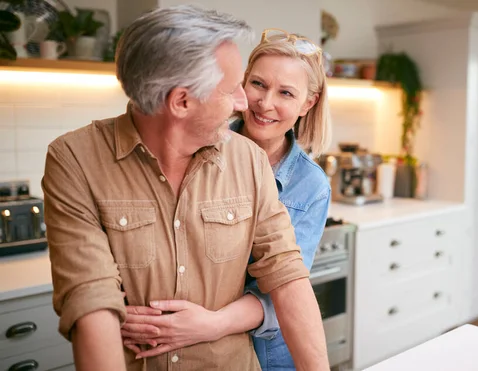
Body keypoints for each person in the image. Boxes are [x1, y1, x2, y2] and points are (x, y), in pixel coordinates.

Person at [42, 5, 328, 371]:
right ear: (181, 101)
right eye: (233, 89)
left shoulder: (248, 160)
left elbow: (287, 273)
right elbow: (91, 298)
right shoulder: (75, 159)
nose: (245, 103)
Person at [120, 28, 332, 370]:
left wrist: (210, 324)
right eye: (258, 84)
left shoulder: (311, 185)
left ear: (308, 103)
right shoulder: (193, 146)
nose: (265, 103)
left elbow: (284, 288)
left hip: (268, 354)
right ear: (240, 83)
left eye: (286, 93)